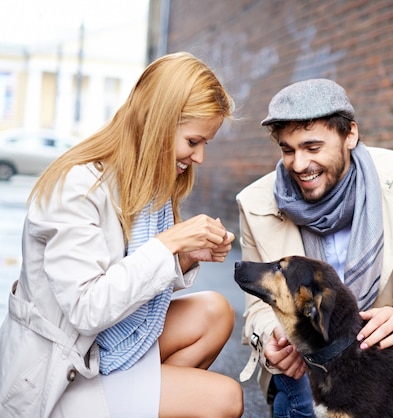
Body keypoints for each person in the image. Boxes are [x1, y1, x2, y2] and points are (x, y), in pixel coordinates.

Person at [0, 52, 244, 418]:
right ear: (159, 122)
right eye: (194, 141)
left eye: (205, 144)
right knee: (224, 399)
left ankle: (141, 403)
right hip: (64, 373)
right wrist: (168, 245)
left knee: (216, 312)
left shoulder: (147, 186)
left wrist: (184, 256)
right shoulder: (77, 186)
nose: (199, 158)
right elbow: (87, 308)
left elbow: (133, 276)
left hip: (104, 349)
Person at [236, 78, 393, 417]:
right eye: (288, 150)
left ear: (350, 135)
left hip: (378, 346)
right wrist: (272, 333)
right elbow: (257, 307)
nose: (300, 164)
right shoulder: (256, 202)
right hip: (311, 347)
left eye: (312, 147)